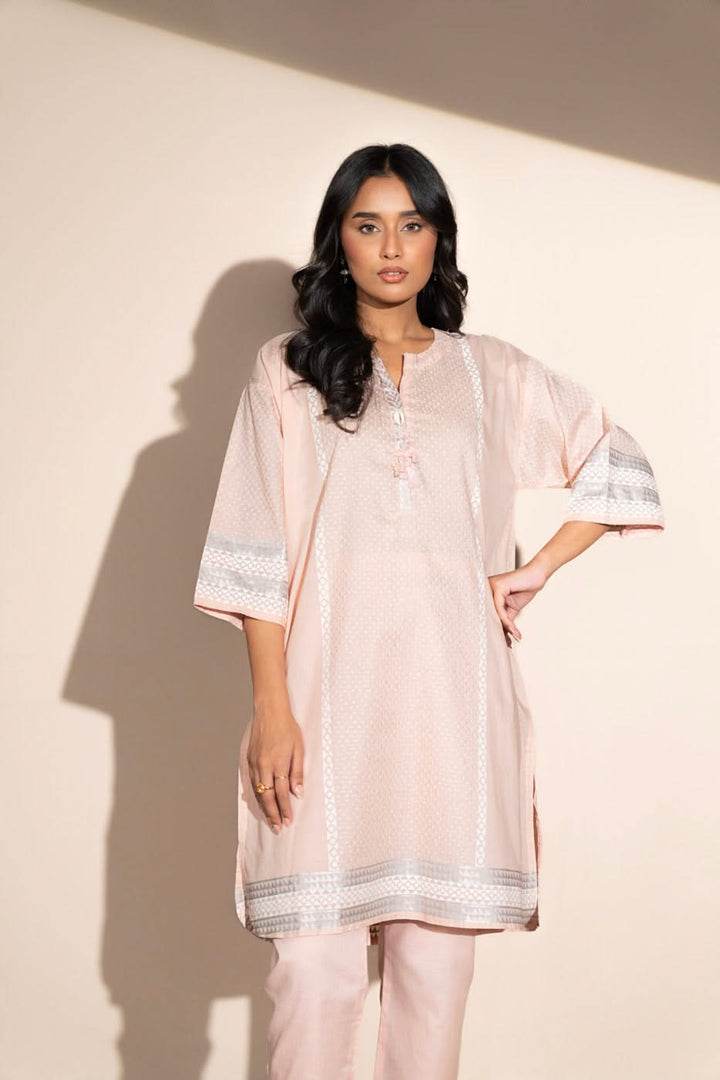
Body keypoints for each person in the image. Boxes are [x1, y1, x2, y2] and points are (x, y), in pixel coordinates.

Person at [193, 143, 665, 1080]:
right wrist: (272, 707)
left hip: (452, 713)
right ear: (338, 241)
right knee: (314, 977)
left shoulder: (490, 374)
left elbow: (615, 459)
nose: (391, 247)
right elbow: (256, 547)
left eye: (412, 224)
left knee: (433, 982)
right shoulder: (285, 371)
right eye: (368, 225)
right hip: (322, 708)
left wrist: (538, 568)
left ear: (438, 238)